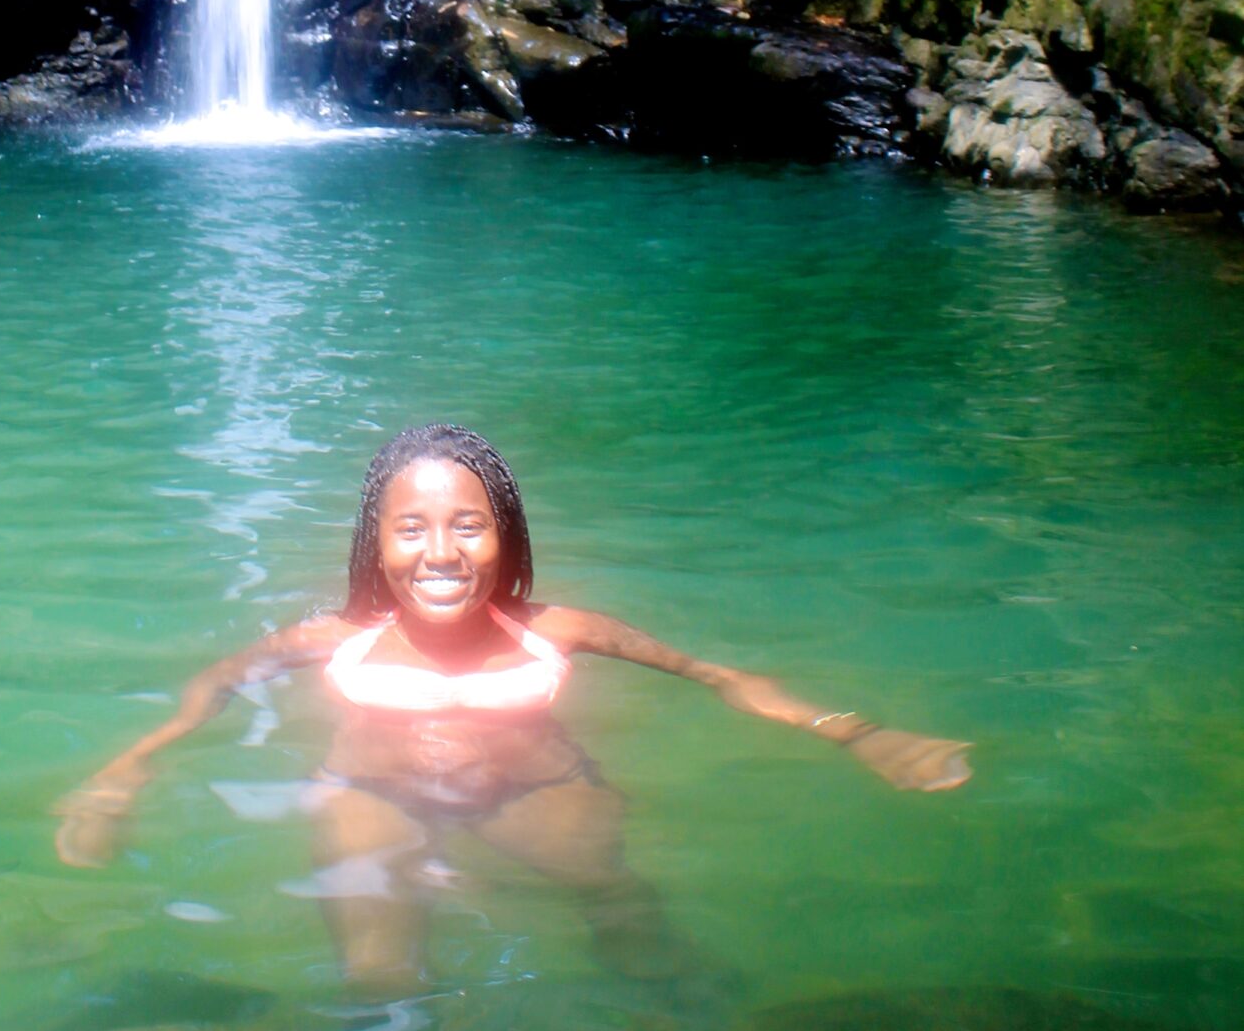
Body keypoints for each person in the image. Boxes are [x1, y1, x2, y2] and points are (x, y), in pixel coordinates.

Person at [55, 422, 970, 990]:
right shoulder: (334, 639)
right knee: (375, 979)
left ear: (506, 535)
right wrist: (123, 769)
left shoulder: (558, 630)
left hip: (533, 792)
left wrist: (857, 733)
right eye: (409, 528)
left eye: (468, 523)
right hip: (372, 790)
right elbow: (217, 681)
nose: (440, 552)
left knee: (627, 920)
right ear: (375, 547)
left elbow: (715, 676)